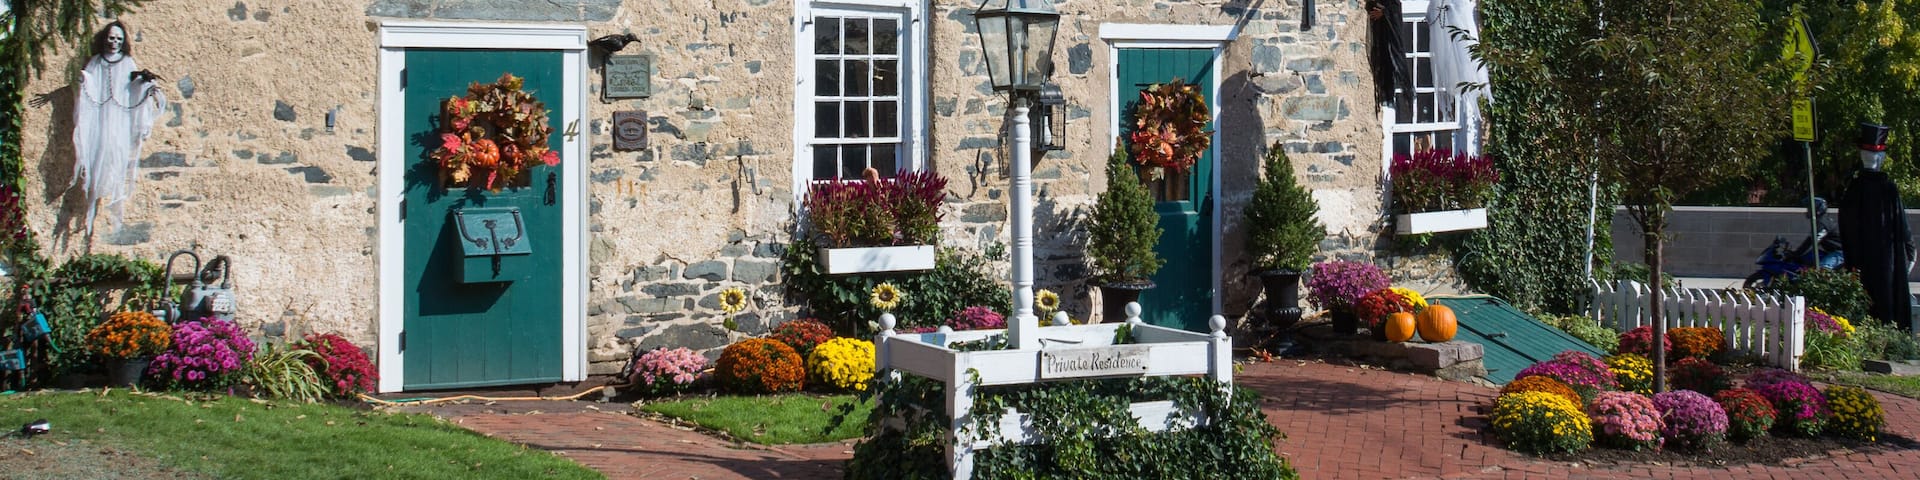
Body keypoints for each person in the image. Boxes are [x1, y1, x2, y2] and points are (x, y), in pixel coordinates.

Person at [71, 21, 166, 236]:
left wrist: (145, 85)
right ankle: (91, 199)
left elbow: (130, 88)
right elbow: (90, 83)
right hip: (100, 118)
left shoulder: (127, 62)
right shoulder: (96, 61)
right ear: (105, 38)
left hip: (118, 119)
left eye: (119, 40)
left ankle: (103, 203)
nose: (115, 43)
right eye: (112, 38)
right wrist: (84, 79)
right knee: (96, 156)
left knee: (114, 156)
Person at [1838, 122, 1914, 330]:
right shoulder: (1887, 190)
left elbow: (1845, 226)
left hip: (1861, 259)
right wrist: (1910, 248)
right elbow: (1902, 226)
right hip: (1885, 262)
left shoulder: (1854, 190)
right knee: (1885, 300)